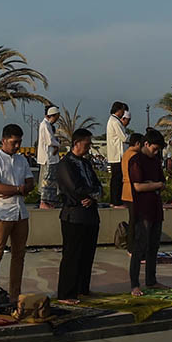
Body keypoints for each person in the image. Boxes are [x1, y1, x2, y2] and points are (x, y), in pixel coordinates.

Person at [0, 123, 34, 312]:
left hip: (20, 212)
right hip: (1, 213)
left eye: (19, 142)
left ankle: (15, 294)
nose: (17, 146)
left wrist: (16, 190)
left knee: (19, 255)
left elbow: (30, 183)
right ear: (4, 141)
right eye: (14, 142)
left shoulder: (22, 160)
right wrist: (18, 189)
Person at [56, 129, 102, 302]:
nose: (89, 147)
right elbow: (73, 188)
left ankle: (83, 289)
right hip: (74, 215)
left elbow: (98, 186)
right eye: (87, 144)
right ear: (76, 144)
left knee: (87, 254)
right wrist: (87, 196)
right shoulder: (65, 164)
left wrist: (92, 196)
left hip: (90, 215)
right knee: (72, 256)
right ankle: (66, 293)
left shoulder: (86, 164)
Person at [129, 129, 167, 296]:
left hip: (156, 208)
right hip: (142, 210)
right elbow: (138, 186)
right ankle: (134, 283)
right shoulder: (136, 160)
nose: (156, 152)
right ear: (146, 144)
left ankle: (151, 280)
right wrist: (155, 185)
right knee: (140, 247)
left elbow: (162, 182)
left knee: (153, 246)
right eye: (154, 148)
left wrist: (153, 184)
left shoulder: (156, 161)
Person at [37, 106, 62, 209]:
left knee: (51, 180)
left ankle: (50, 201)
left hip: (51, 157)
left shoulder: (47, 125)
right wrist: (58, 145)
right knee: (46, 180)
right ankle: (44, 202)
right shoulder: (45, 125)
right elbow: (50, 141)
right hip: (48, 158)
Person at [106, 101, 128, 207]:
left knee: (116, 178)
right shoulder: (115, 122)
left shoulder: (114, 120)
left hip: (115, 154)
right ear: (118, 110)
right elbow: (123, 137)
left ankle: (114, 200)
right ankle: (116, 201)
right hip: (117, 154)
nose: (123, 112)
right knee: (117, 179)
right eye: (122, 110)